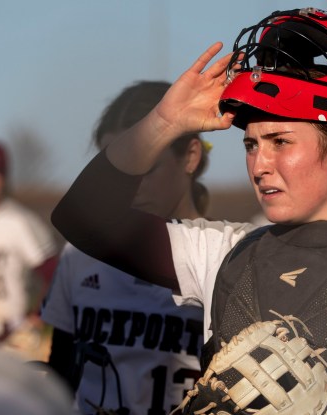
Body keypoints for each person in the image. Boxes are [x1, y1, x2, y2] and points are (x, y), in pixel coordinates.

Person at [52, 8, 327, 414]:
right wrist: (165, 124)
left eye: (280, 142)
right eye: (251, 144)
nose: (260, 165)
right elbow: (84, 218)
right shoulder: (223, 253)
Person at [41, 81, 210, 415]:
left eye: (144, 169)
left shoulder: (225, 258)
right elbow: (61, 369)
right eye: (117, 172)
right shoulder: (78, 256)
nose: (128, 188)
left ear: (190, 156)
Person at [0, 137, 58, 358]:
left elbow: (56, 274)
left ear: (4, 178)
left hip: (9, 339)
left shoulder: (19, 222)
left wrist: (38, 316)